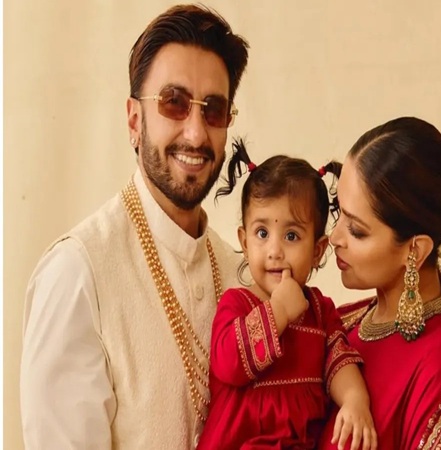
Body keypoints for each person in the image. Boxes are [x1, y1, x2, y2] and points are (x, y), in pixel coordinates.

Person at [20, 5, 249, 449]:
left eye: (214, 110)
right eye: (174, 103)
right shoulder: (78, 274)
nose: (196, 134)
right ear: (134, 119)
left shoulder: (241, 272)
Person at [319, 117, 441, 449]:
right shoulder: (342, 322)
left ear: (414, 250)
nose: (334, 237)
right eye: (337, 211)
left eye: (356, 230)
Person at [197, 139, 378, 450]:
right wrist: (278, 310)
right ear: (244, 240)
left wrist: (354, 399)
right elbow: (228, 364)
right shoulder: (237, 304)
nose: (274, 251)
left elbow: (339, 361)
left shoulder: (319, 310)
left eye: (291, 236)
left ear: (317, 250)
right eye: (262, 233)